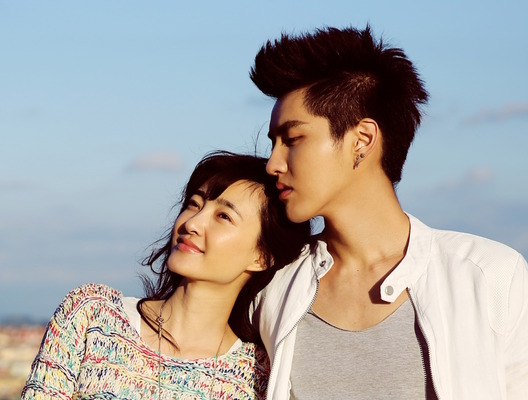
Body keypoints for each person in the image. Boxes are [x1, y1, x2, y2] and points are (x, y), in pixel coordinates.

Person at [249, 25, 528, 399]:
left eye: (293, 139)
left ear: (362, 140)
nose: (273, 164)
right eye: (274, 143)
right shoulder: (273, 287)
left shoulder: (490, 275)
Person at [22, 151, 311, 400]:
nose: (192, 223)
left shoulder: (257, 378)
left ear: (262, 257)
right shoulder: (91, 316)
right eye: (194, 204)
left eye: (223, 216)